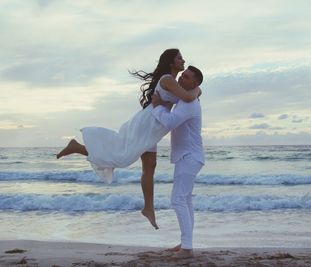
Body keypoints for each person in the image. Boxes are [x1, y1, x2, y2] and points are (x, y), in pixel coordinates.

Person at [56, 49, 200, 230]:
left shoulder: (171, 80)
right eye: (179, 58)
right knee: (122, 156)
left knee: (149, 168)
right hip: (148, 124)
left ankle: (148, 208)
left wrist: (195, 89)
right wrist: (196, 89)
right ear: (171, 62)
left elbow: (194, 92)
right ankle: (78, 147)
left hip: (155, 126)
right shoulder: (167, 80)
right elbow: (189, 96)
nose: (183, 60)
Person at [151, 65, 205, 258]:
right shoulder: (187, 98)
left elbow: (171, 121)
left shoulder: (189, 104)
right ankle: (186, 243)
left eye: (186, 77)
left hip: (189, 156)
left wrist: (157, 107)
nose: (181, 79)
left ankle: (187, 249)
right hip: (189, 156)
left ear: (194, 83)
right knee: (186, 200)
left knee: (178, 199)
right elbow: (196, 92)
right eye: (181, 75)